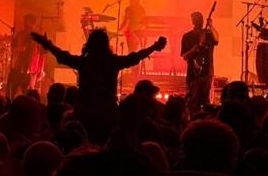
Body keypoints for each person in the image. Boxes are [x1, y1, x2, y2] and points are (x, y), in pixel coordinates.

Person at [30, 29, 166, 144]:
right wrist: (153, 47)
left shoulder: (84, 62)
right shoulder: (112, 61)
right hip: (107, 113)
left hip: (85, 112)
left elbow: (63, 56)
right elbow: (134, 57)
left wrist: (46, 44)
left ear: (89, 44)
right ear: (106, 44)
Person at [181, 11, 218, 115]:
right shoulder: (187, 36)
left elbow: (217, 39)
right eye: (195, 18)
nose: (198, 21)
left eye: (199, 18)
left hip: (207, 72)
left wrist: (211, 26)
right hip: (193, 74)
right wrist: (195, 48)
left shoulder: (208, 34)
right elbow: (184, 56)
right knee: (193, 100)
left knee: (205, 100)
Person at [8, 14, 44, 98]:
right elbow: (13, 47)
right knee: (14, 89)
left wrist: (41, 69)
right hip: (19, 67)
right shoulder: (20, 34)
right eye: (25, 22)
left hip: (31, 69)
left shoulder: (37, 36)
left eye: (27, 22)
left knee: (29, 91)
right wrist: (19, 49)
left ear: (33, 23)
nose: (25, 24)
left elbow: (42, 53)